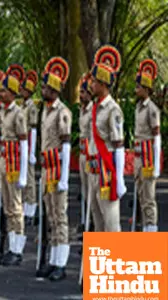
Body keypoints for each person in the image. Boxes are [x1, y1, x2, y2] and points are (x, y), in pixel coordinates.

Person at [36, 57, 72, 281]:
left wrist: (65, 177)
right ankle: (53, 259)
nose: (42, 89)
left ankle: (61, 262)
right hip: (47, 169)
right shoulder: (45, 110)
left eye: (46, 87)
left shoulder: (63, 112)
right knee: (50, 215)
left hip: (58, 169)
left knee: (60, 216)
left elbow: (66, 146)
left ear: (55, 89)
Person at [88, 45, 126, 233]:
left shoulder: (113, 110)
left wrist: (119, 179)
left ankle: (115, 260)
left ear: (103, 84)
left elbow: (118, 145)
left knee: (111, 224)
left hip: (107, 172)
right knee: (98, 222)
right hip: (94, 171)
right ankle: (102, 262)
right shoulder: (95, 107)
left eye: (94, 82)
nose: (91, 85)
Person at [0, 65, 29, 266]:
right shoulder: (2, 112)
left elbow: (24, 143)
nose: (0, 93)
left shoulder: (18, 114)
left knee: (16, 206)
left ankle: (18, 249)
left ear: (12, 92)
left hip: (15, 163)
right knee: (8, 206)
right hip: (4, 161)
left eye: (3, 90)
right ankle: (11, 245)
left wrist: (24, 173)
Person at [134, 59, 161, 232]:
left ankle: (151, 232)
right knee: (140, 195)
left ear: (146, 88)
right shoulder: (138, 107)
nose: (136, 89)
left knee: (149, 197)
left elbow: (156, 137)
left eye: (138, 86)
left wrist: (157, 165)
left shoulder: (152, 109)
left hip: (148, 157)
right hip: (138, 156)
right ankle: (145, 227)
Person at [19, 70, 39, 224]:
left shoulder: (32, 107)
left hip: (28, 144)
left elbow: (33, 129)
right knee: (23, 177)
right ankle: (25, 208)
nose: (21, 91)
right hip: (22, 144)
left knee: (30, 179)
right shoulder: (22, 106)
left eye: (24, 89)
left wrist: (32, 151)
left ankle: (31, 211)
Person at [78, 73, 94, 233]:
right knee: (84, 189)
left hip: (91, 153)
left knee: (91, 190)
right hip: (83, 153)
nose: (80, 95)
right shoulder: (82, 111)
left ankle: (91, 224)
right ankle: (85, 220)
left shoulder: (93, 111)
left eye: (83, 92)